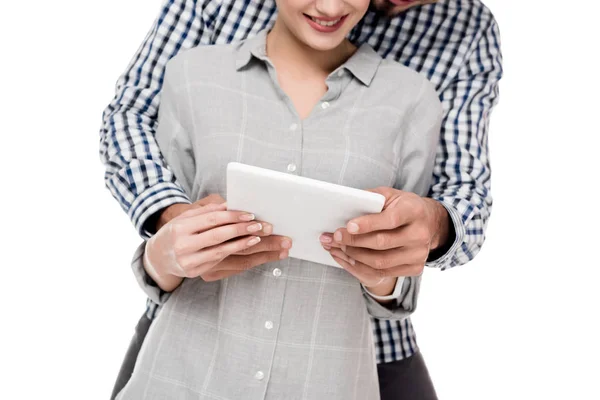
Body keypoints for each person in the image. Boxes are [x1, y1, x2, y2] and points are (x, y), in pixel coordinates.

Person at [99, 0, 503, 399]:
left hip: (359, 341)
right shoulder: (199, 64)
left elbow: (465, 194)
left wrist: (431, 224)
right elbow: (131, 116)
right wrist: (180, 226)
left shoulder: (448, 52)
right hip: (204, 323)